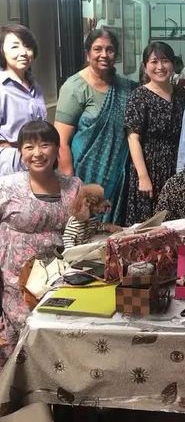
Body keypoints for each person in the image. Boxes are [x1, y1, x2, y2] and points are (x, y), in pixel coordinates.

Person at [0, 121, 81, 367]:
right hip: (15, 284)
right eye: (29, 147)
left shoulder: (73, 187)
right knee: (23, 345)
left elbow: (82, 232)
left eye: (45, 145)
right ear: (20, 152)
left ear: (57, 149)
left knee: (61, 346)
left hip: (61, 282)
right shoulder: (7, 187)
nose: (38, 153)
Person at [54, 28, 135, 224]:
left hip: (118, 176)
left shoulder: (127, 88)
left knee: (113, 231)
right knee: (84, 229)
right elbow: (61, 141)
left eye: (110, 49)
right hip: (84, 175)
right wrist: (70, 184)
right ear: (87, 53)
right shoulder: (74, 87)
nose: (104, 55)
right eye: (98, 49)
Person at [125, 41, 185, 225]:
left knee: (176, 222)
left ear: (173, 65)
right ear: (145, 66)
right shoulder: (139, 96)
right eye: (154, 61)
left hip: (177, 166)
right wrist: (143, 176)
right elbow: (133, 138)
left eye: (165, 60)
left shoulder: (182, 94)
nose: (160, 66)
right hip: (149, 167)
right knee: (148, 224)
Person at [0, 24, 47, 175]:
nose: (24, 53)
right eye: (15, 47)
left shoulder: (36, 86)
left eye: (27, 46)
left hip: (38, 162)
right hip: (9, 167)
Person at [62, 184, 121, 249]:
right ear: (87, 204)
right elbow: (68, 239)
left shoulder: (92, 217)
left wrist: (108, 227)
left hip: (89, 247)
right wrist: (72, 252)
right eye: (98, 202)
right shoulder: (75, 223)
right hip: (78, 250)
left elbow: (96, 226)